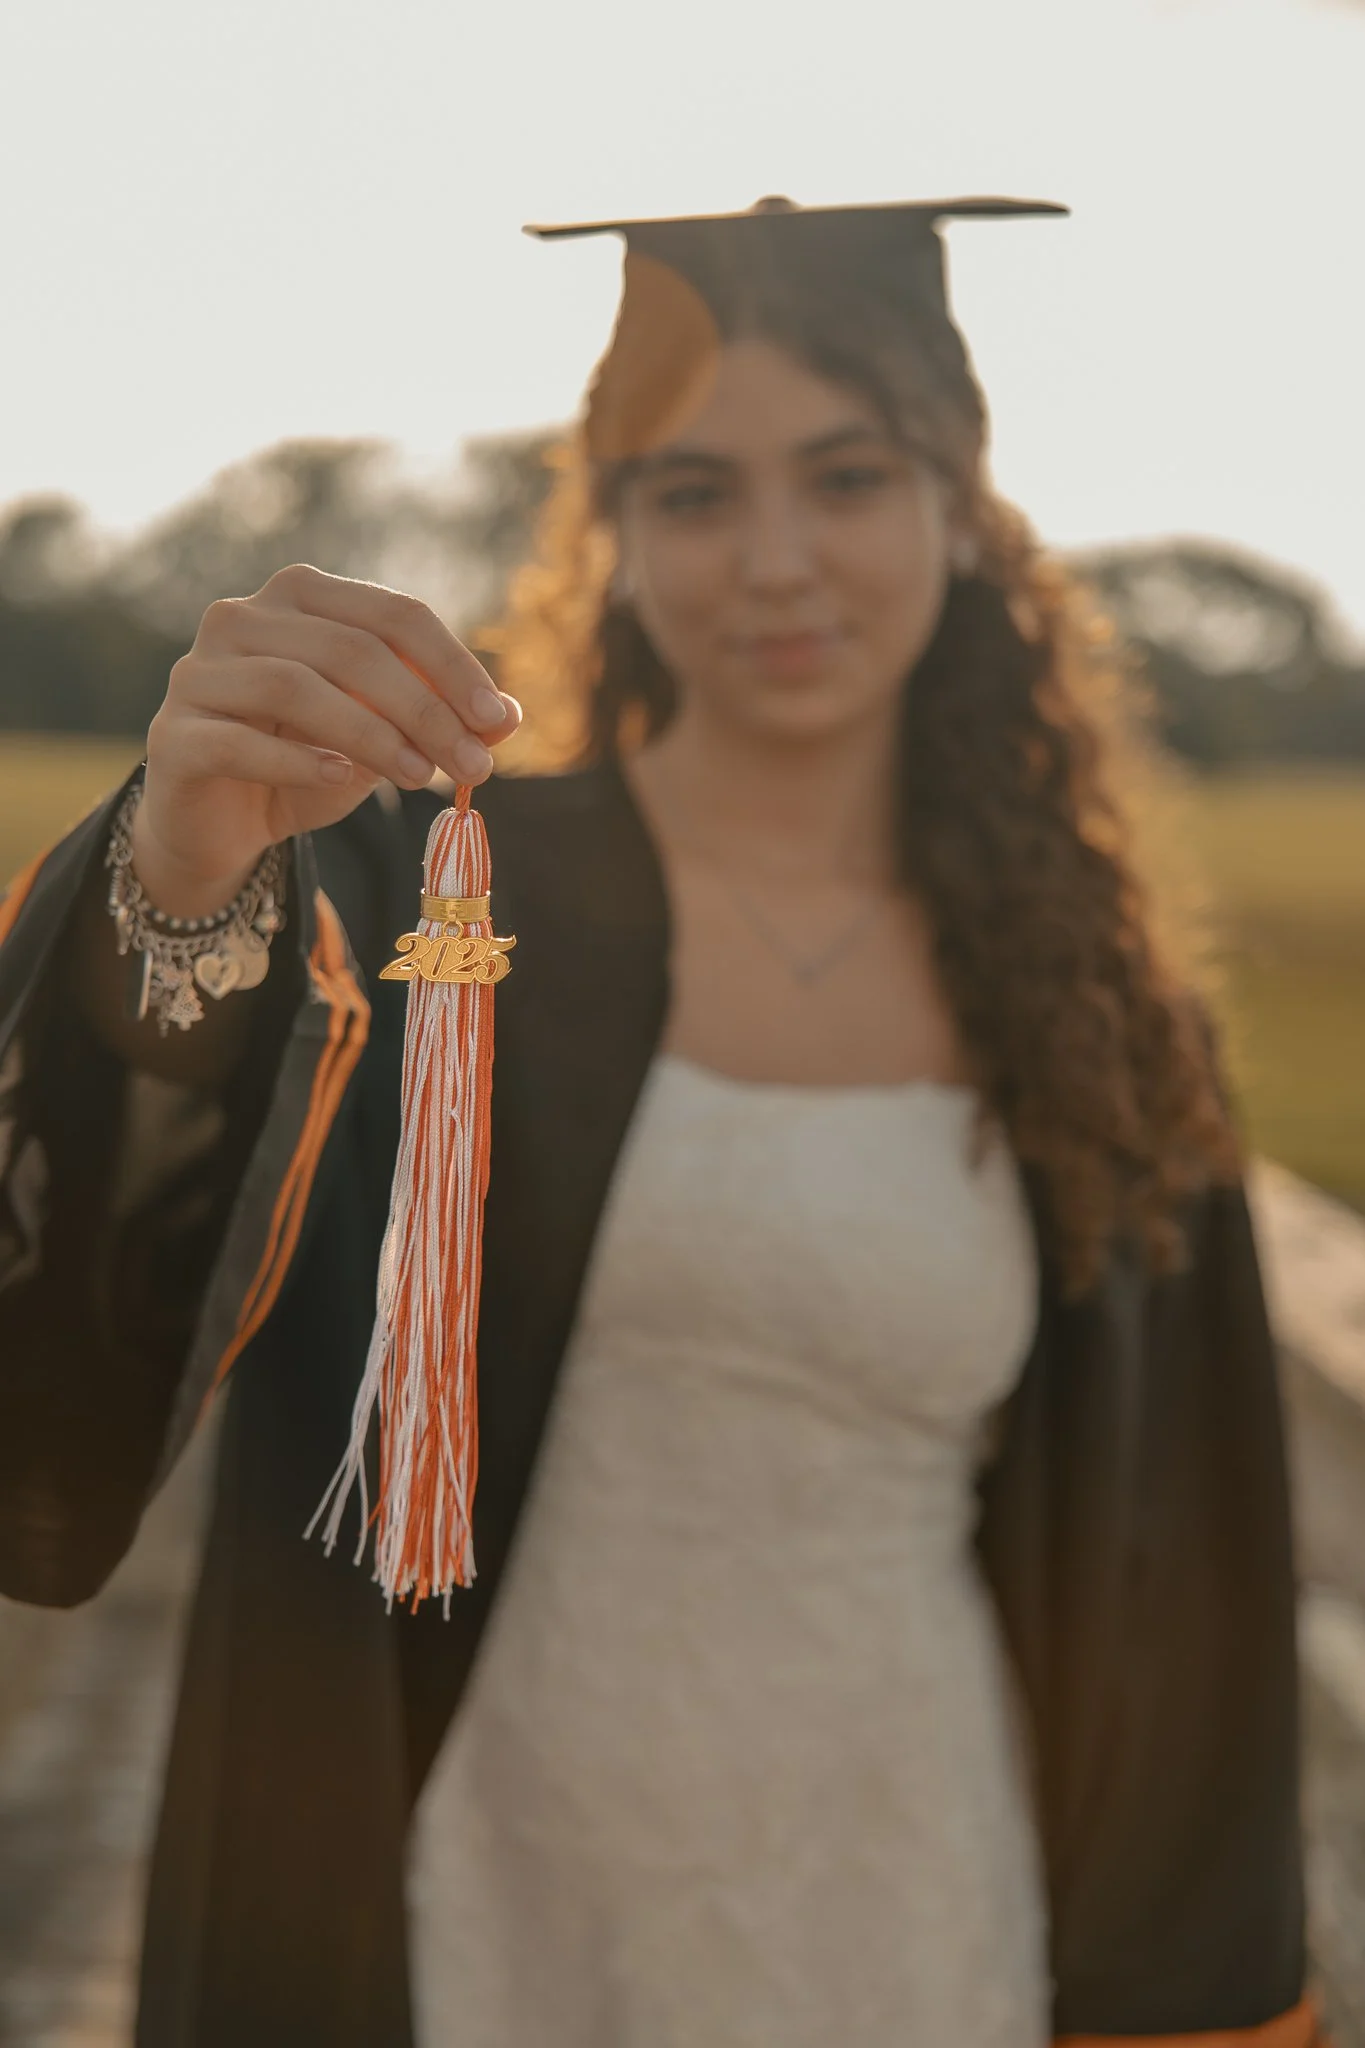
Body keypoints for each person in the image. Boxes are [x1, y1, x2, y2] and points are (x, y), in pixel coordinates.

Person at [0, 196, 1326, 2047]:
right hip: (464, 1882)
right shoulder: (428, 904)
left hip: (906, 1874)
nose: (774, 557)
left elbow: (1184, 1591)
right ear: (611, 532)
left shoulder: (1096, 1014)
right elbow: (83, 1318)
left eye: (846, 477)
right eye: (693, 493)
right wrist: (183, 863)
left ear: (961, 498)